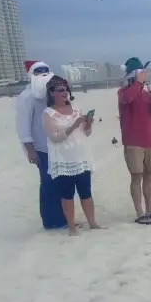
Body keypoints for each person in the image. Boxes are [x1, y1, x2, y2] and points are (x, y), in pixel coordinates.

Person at [42, 75, 102, 236]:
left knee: (86, 192)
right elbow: (54, 137)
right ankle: (71, 228)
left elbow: (86, 133)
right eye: (60, 90)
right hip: (63, 159)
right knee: (67, 195)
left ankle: (93, 223)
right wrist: (73, 125)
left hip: (81, 156)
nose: (64, 92)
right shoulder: (48, 113)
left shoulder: (76, 107)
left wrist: (88, 124)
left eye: (66, 89)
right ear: (52, 93)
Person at [14, 60, 67, 229]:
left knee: (61, 182)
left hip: (59, 146)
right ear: (31, 75)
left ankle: (64, 217)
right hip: (41, 148)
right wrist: (30, 150)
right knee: (48, 183)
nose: (43, 75)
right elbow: (23, 125)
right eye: (39, 72)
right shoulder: (26, 97)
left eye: (46, 71)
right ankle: (52, 221)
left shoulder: (52, 93)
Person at [119, 56, 151, 224]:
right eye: (140, 72)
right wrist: (138, 83)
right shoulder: (124, 91)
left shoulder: (146, 92)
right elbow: (127, 99)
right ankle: (139, 212)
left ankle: (149, 209)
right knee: (136, 177)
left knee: (149, 176)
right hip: (133, 141)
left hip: (150, 140)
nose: (143, 75)